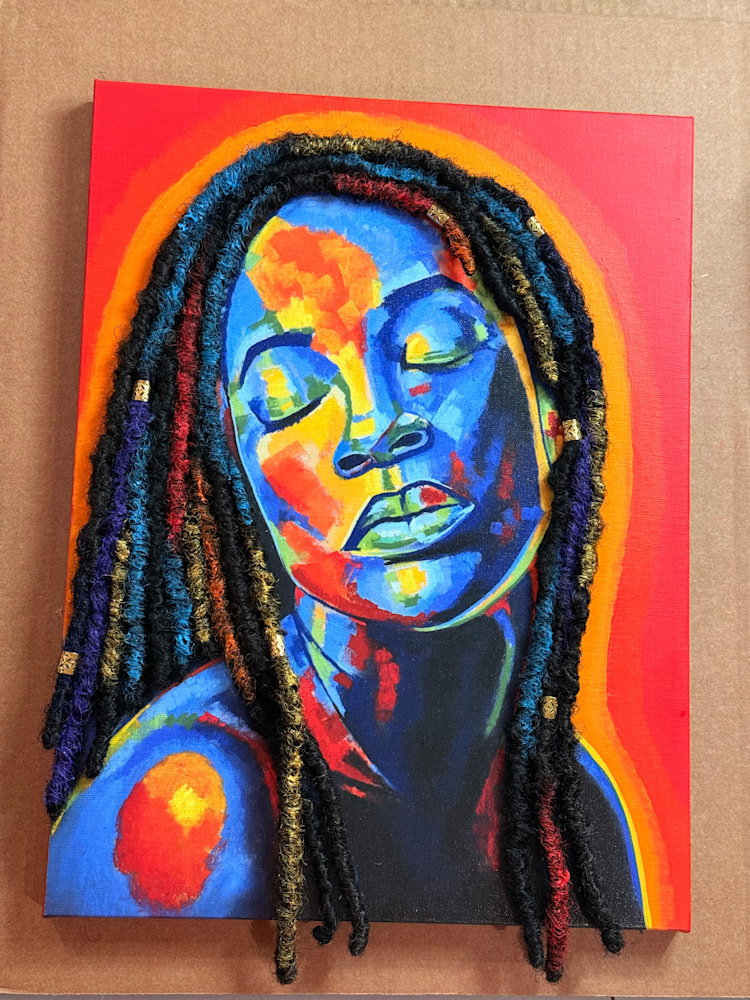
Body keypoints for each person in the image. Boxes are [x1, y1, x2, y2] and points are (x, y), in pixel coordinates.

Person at [43, 134, 640, 984]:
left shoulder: (570, 806)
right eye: (288, 396)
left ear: (550, 401)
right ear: (228, 471)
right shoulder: (187, 809)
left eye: (435, 349)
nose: (377, 427)